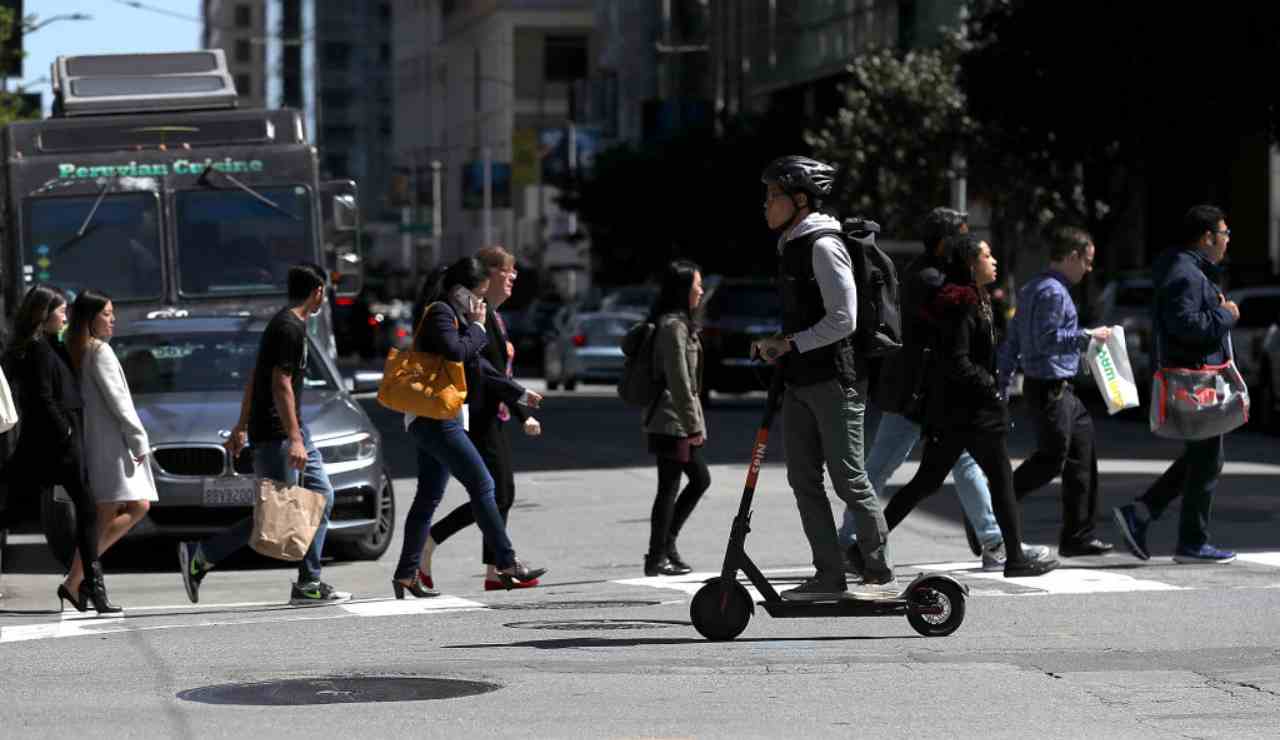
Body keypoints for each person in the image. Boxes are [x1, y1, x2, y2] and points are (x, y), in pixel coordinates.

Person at [842, 207, 1035, 572]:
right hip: (917, 395)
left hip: (943, 399)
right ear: (949, 243)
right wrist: (988, 386)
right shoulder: (936, 283)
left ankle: (995, 543)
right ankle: (852, 543)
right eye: (964, 236)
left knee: (958, 469)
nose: (971, 243)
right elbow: (953, 351)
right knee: (883, 468)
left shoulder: (950, 281)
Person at [873, 235, 1059, 578]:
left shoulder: (978, 299)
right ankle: (1014, 558)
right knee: (995, 481)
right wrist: (988, 385)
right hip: (967, 413)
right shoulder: (961, 304)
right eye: (987, 255)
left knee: (929, 482)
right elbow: (956, 361)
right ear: (970, 264)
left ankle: (864, 547)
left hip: (963, 414)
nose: (994, 261)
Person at [751, 155, 893, 601]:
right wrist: (778, 342)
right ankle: (828, 575)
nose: (766, 204)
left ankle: (878, 573)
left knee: (849, 479)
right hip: (799, 380)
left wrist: (790, 343)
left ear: (799, 200)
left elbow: (844, 318)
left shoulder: (822, 244)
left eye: (772, 196)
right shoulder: (790, 243)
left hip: (835, 380)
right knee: (803, 480)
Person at [178, 264, 351, 606]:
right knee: (275, 514)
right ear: (317, 291)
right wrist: (294, 438)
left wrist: (242, 426)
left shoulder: (287, 325)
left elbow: (255, 379)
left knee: (322, 496)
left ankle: (309, 581)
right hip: (278, 435)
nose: (325, 298)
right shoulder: (288, 328)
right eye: (325, 292)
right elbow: (278, 383)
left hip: (292, 430)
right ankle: (202, 554)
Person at [391, 257, 543, 597]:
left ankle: (406, 573)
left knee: (428, 496)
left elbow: (481, 367)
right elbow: (456, 351)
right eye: (477, 293)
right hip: (435, 420)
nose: (480, 301)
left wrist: (519, 393)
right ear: (462, 290)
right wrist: (476, 327)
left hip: (438, 418)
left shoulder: (457, 316)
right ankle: (506, 562)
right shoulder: (441, 313)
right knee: (484, 485)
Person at [1113, 205, 1240, 564]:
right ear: (1207, 238)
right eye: (1225, 234)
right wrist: (1225, 315)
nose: (1228, 241)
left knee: (1204, 459)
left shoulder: (1188, 270)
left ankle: (1142, 513)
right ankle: (1190, 542)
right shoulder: (1185, 274)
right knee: (1207, 460)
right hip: (1195, 382)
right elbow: (1187, 326)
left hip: (1197, 380)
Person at [997, 225, 1115, 557]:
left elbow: (1015, 340)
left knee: (1083, 453)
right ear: (1073, 256)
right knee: (1051, 459)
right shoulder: (1053, 292)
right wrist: (1089, 336)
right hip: (1050, 387)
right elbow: (1045, 340)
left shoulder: (1035, 287)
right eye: (1087, 261)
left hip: (1060, 387)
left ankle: (1078, 535)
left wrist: (1004, 383)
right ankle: (995, 509)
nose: (1089, 268)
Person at [4, 284, 119, 612]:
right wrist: (66, 430)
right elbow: (42, 396)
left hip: (55, 441)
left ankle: (88, 588)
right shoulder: (38, 348)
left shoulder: (49, 344)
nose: (66, 317)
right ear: (44, 313)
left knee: (79, 511)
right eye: (61, 311)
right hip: (55, 444)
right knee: (76, 511)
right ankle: (91, 589)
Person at [60, 290, 158, 600]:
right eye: (106, 314)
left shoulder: (79, 349)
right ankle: (75, 578)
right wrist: (139, 439)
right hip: (110, 447)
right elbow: (120, 403)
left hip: (99, 444)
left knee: (123, 509)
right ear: (90, 319)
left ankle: (75, 579)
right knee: (125, 509)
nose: (113, 319)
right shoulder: (98, 351)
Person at [642, 260, 711, 577]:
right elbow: (680, 380)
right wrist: (694, 424)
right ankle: (657, 556)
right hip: (669, 419)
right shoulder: (673, 326)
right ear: (684, 289)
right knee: (668, 488)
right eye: (697, 284)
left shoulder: (682, 323)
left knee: (699, 480)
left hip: (679, 418)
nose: (701, 290)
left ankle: (666, 545)